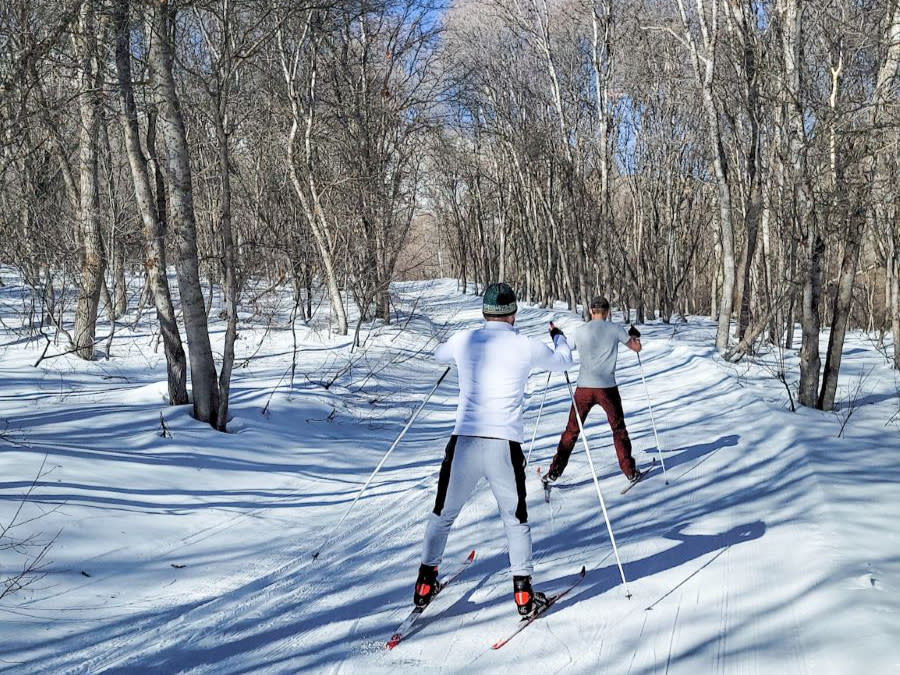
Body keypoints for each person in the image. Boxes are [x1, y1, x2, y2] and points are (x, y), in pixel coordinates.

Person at [414, 282, 573, 616]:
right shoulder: (525, 345)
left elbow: (437, 354)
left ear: (484, 312)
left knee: (442, 514)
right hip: (503, 445)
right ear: (513, 314)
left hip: (465, 443)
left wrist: (459, 353)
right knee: (514, 520)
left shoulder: (465, 339)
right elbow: (563, 362)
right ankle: (523, 595)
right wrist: (559, 337)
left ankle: (425, 582)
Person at [543, 296, 643, 487]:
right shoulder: (615, 329)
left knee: (571, 431)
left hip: (584, 389)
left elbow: (563, 346)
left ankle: (554, 472)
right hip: (607, 388)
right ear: (607, 312)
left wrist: (555, 332)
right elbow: (636, 348)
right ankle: (630, 472)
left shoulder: (580, 331)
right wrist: (635, 336)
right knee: (618, 429)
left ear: (591, 311)